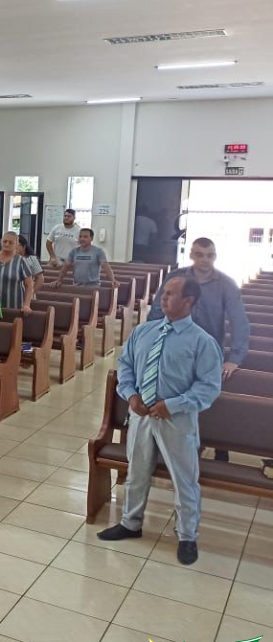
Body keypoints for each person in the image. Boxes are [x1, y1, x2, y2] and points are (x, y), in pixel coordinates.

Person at [97, 277, 223, 566]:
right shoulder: (144, 331)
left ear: (188, 301)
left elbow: (208, 387)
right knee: (137, 470)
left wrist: (173, 405)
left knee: (184, 478)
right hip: (141, 415)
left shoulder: (202, 342)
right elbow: (125, 366)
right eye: (163, 293)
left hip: (176, 420)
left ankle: (187, 536)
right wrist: (131, 396)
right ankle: (131, 523)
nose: (162, 297)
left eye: (170, 294)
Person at [148, 237, 250, 460]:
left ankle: (219, 446)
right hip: (174, 350)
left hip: (208, 354)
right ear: (192, 255)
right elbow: (157, 311)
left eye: (210, 255)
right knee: (173, 398)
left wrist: (234, 358)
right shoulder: (175, 278)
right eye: (200, 254)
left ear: (215, 256)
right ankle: (173, 448)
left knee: (207, 402)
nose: (205, 259)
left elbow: (239, 322)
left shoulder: (226, 284)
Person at [0, 231, 35, 313]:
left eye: (10, 242)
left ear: (16, 244)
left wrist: (26, 305)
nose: (7, 244)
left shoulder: (21, 261)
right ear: (1, 242)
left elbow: (29, 285)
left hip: (14, 306)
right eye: (4, 241)